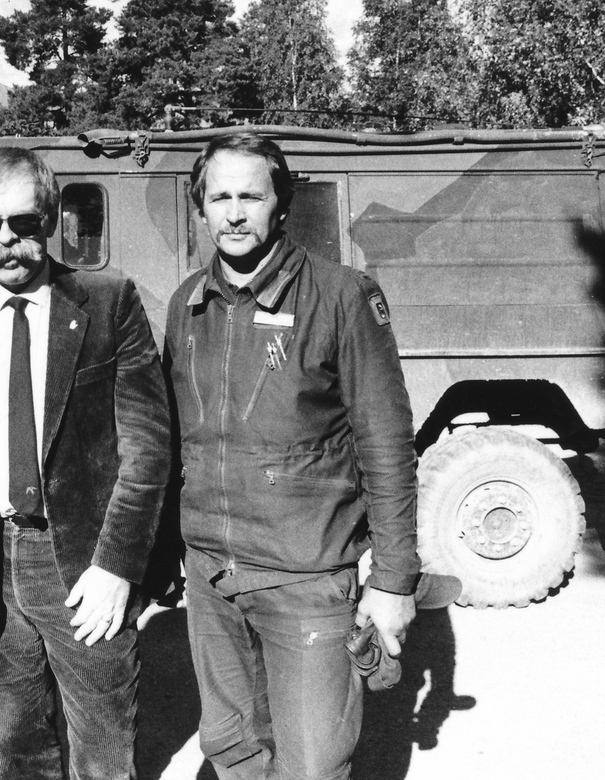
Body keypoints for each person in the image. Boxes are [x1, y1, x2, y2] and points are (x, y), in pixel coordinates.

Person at [163, 133, 420, 780]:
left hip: (306, 577)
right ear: (200, 207)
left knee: (311, 765)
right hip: (212, 576)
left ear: (282, 204)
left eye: (251, 196)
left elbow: (387, 445)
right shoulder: (187, 303)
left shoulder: (342, 296)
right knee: (232, 749)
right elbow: (174, 442)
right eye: (219, 197)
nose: (234, 213)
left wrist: (393, 581)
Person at [0, 147, 170, 780]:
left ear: (53, 217)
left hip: (85, 564)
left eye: (24, 222)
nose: (6, 240)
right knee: (15, 749)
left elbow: (148, 447)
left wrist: (118, 565)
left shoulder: (109, 302)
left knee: (104, 751)